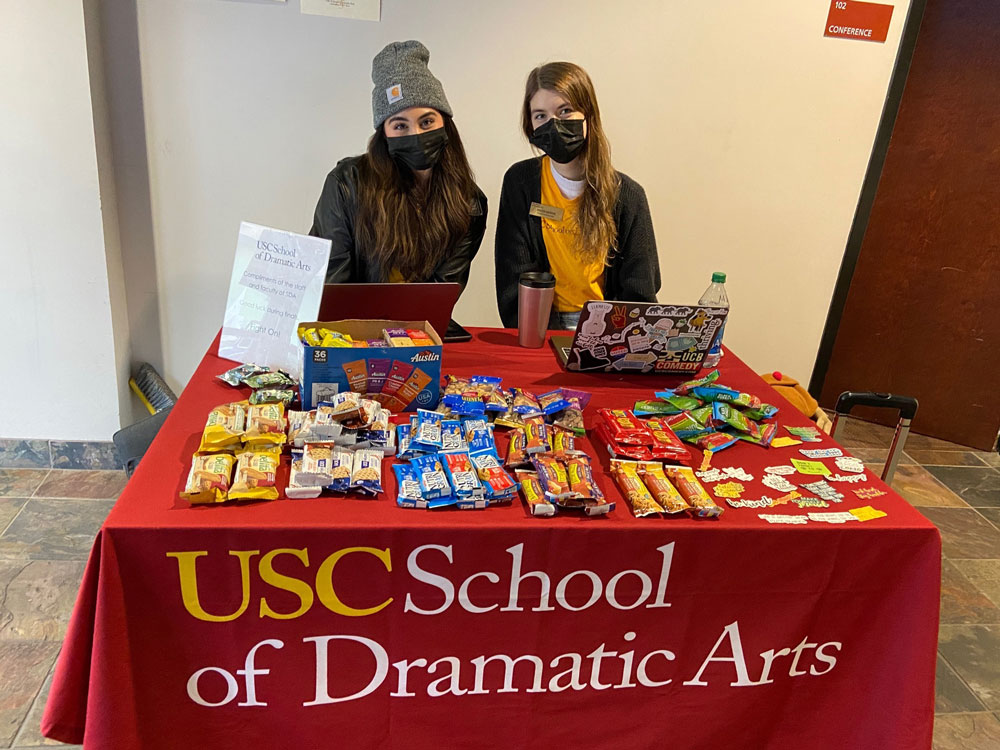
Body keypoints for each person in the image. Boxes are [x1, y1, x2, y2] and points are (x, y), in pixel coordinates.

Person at [494, 62, 660, 329]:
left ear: (588, 115)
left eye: (565, 111)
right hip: (539, 328)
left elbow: (640, 291)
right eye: (540, 116)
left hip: (607, 329)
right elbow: (513, 276)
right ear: (530, 125)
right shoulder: (520, 183)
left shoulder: (628, 196)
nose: (553, 124)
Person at [310, 41, 487, 292]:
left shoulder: (469, 202)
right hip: (350, 328)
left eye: (427, 121)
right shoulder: (345, 184)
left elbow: (441, 293)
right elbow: (333, 285)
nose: (416, 134)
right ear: (384, 132)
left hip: (419, 329)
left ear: (445, 123)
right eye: (400, 125)